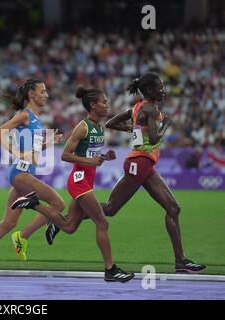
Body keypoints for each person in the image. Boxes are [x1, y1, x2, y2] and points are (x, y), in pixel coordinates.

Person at [47, 73, 206, 274]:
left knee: (173, 208)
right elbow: (155, 138)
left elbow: (111, 123)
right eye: (159, 87)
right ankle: (65, 221)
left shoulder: (136, 107)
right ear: (149, 90)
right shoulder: (150, 108)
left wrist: (134, 129)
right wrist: (166, 122)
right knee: (111, 208)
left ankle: (181, 261)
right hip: (139, 163)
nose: (163, 90)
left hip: (144, 163)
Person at [0, 78, 72, 262]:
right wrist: (16, 152)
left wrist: (47, 143)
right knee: (58, 204)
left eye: (46, 91)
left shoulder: (35, 120)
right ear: (31, 94)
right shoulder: (25, 115)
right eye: (42, 91)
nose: (47, 95)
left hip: (22, 173)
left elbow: (32, 153)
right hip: (21, 174)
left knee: (9, 222)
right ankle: (23, 236)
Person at [45, 87, 134, 282]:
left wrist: (103, 157)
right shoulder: (83, 126)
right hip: (79, 181)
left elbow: (91, 156)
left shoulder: (99, 128)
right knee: (102, 222)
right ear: (93, 105)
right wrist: (91, 162)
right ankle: (110, 270)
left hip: (87, 179)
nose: (107, 105)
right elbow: (65, 155)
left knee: (69, 227)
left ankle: (35, 205)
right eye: (104, 102)